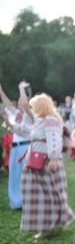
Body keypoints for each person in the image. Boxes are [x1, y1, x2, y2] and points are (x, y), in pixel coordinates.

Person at [19, 91, 75, 238]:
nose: (32, 108)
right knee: (43, 196)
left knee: (48, 195)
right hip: (37, 162)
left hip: (46, 163)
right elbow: (27, 131)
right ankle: (47, 225)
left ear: (40, 106)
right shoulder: (41, 120)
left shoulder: (51, 119)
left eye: (34, 106)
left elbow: (55, 139)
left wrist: (54, 158)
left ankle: (47, 227)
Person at [0, 82, 32, 210]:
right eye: (18, 102)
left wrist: (21, 89)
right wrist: (1, 91)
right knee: (14, 176)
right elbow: (7, 103)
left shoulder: (30, 115)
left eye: (22, 102)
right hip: (15, 148)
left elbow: (25, 103)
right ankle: (16, 202)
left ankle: (27, 201)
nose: (20, 103)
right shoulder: (16, 115)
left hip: (25, 148)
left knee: (26, 176)